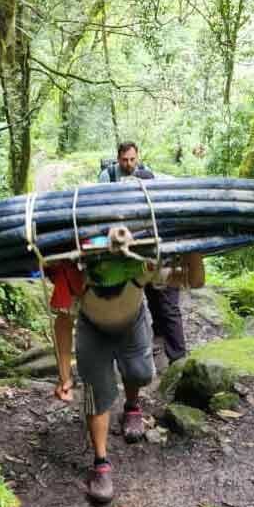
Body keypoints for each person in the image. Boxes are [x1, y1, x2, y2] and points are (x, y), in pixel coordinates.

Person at [48, 251, 205, 504]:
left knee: (140, 373)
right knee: (96, 394)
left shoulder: (141, 266)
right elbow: (63, 322)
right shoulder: (72, 275)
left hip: (133, 325)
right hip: (92, 330)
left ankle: (132, 407)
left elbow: (194, 280)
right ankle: (101, 464)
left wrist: (194, 248)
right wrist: (64, 375)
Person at [98, 142, 188, 366]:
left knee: (168, 305)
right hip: (138, 257)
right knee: (151, 296)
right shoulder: (109, 179)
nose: (129, 163)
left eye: (132, 159)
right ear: (118, 158)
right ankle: (158, 338)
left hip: (162, 255)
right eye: (125, 160)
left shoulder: (156, 195)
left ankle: (178, 358)